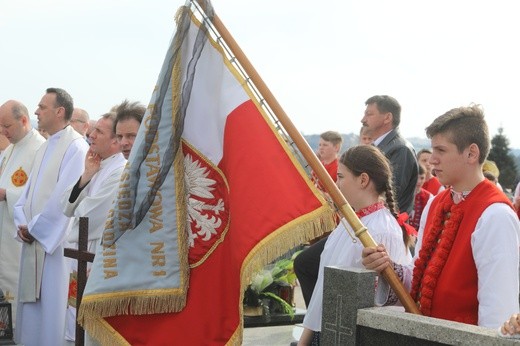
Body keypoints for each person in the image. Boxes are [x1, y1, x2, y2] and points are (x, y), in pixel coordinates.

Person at [362, 105, 520, 328]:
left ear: (471, 153)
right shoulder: (436, 203)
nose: (432, 160)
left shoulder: (496, 215)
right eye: (432, 150)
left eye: (441, 150)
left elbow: (498, 309)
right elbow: (421, 277)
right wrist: (387, 267)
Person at [298, 145, 412, 345]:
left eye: (341, 177)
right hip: (328, 330)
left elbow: (383, 305)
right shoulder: (351, 223)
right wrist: (305, 339)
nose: (336, 183)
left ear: (363, 180)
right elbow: (322, 289)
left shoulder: (381, 230)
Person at [13, 88, 89, 346]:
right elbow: (27, 194)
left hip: (54, 248)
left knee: (51, 314)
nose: (36, 112)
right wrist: (21, 222)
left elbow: (64, 198)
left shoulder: (76, 147)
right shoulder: (45, 147)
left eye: (42, 107)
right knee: (32, 315)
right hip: (32, 241)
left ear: (59, 111)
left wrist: (35, 229)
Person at [60, 112, 126, 342]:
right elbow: (66, 208)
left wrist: (77, 213)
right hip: (85, 251)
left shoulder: (119, 171)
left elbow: (88, 216)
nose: (91, 134)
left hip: (99, 256)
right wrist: (87, 175)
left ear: (116, 141)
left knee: (95, 331)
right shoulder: (97, 165)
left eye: (99, 131)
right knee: (78, 322)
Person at [0, 100, 46, 323]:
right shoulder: (11, 149)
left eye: (6, 126)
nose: (3, 131)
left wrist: (7, 194)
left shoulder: (39, 148)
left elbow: (41, 195)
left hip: (20, 236)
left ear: (24, 120)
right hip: (4, 230)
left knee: (15, 292)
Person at [295, 130, 342, 307]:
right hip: (318, 221)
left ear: (336, 147)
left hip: (331, 222)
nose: (321, 148)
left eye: (325, 145)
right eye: (320, 144)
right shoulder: (318, 166)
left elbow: (335, 196)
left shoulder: (337, 168)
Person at [361, 95, 418, 215]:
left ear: (387, 117)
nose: (363, 120)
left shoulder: (400, 149)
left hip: (386, 228)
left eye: (369, 114)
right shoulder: (377, 147)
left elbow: (391, 195)